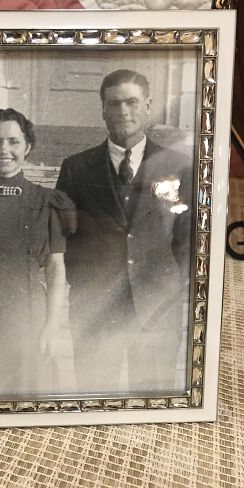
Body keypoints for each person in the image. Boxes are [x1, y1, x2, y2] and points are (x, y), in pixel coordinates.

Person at [55, 69, 192, 393]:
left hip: (157, 310)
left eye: (131, 102)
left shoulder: (178, 165)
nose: (123, 111)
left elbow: (187, 240)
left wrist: (170, 287)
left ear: (147, 106)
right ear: (102, 109)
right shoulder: (75, 168)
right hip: (95, 311)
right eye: (113, 104)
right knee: (94, 400)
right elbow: (62, 238)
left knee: (155, 405)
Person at [0, 107, 75, 399]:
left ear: (27, 146)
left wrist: (51, 329)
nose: (4, 150)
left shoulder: (47, 202)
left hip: (30, 318)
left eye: (13, 141)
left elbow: (56, 270)